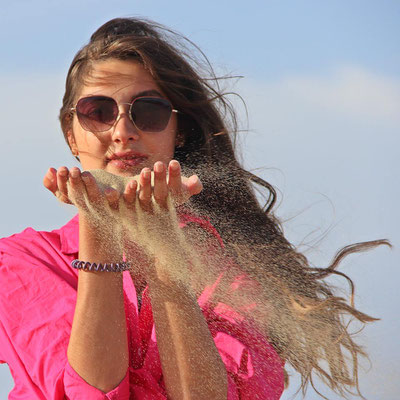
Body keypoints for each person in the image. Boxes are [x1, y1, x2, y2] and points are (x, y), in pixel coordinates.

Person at [0, 17, 388, 400]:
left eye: (148, 111)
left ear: (178, 130)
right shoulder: (22, 261)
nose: (122, 132)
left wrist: (165, 251)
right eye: (98, 111)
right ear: (71, 133)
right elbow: (92, 394)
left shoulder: (234, 268)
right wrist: (98, 227)